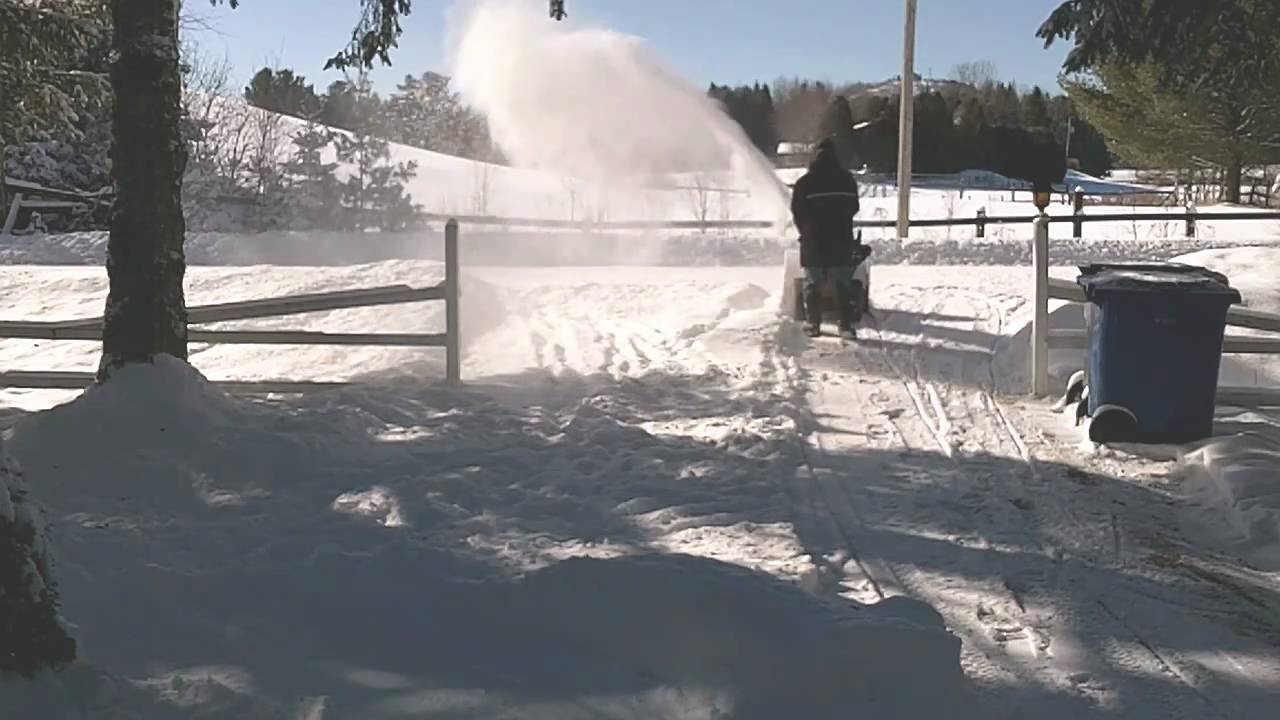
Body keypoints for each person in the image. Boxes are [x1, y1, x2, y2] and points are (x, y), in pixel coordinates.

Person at [791, 137, 861, 338]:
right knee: (843, 284)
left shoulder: (804, 183)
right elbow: (854, 207)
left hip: (813, 242)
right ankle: (845, 325)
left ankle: (813, 324)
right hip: (841, 240)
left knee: (813, 283)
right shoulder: (847, 180)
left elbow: (797, 211)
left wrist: (806, 231)